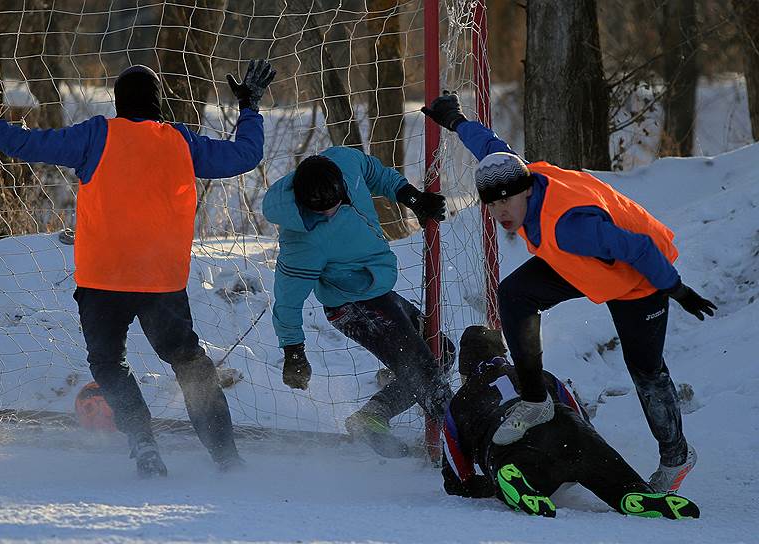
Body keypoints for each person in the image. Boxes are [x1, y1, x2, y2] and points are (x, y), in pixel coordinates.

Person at [0, 60, 275, 477]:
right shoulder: (181, 142)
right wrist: (249, 106)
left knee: (109, 365)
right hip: (161, 281)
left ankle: (142, 444)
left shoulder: (96, 135)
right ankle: (227, 459)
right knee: (189, 364)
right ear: (158, 104)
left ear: (118, 103)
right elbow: (247, 155)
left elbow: (25, 144)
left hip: (103, 280)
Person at [422, 92, 715, 492]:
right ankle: (535, 400)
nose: (501, 212)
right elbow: (490, 146)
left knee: (646, 372)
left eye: (507, 201)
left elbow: (639, 249)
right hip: (580, 264)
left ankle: (677, 455)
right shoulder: (518, 176)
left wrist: (678, 290)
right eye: (492, 204)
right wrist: (455, 120)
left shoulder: (571, 225)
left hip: (639, 279)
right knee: (515, 294)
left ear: (526, 191)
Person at [262, 146, 452, 458]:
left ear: (342, 186)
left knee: (441, 352)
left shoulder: (346, 161)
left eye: (333, 205)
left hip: (377, 291)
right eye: (317, 210)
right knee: (427, 377)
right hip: (351, 307)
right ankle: (468, 446)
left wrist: (411, 197)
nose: (327, 213)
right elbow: (287, 300)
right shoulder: (302, 241)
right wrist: (293, 350)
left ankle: (372, 416)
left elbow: (377, 174)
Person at [441, 325, 699, 520]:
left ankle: (512, 477)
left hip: (507, 441)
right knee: (587, 452)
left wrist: (486, 484)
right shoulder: (541, 375)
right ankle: (632, 490)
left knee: (509, 462)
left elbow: (457, 479)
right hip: (563, 425)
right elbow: (583, 420)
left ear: (465, 369)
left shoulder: (458, 403)